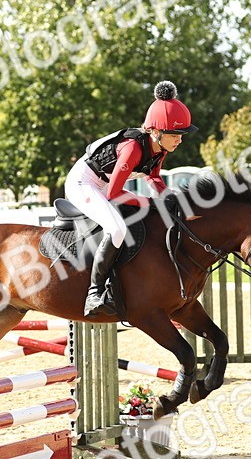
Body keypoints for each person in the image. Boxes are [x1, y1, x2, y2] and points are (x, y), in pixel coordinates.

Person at [65, 80, 197, 316]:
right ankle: (94, 293)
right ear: (155, 132)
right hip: (82, 183)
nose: (180, 140)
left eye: (181, 134)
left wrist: (169, 197)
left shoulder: (160, 149)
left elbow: (153, 177)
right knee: (117, 230)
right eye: (175, 134)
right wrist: (150, 202)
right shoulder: (133, 149)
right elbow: (114, 194)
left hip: (104, 184)